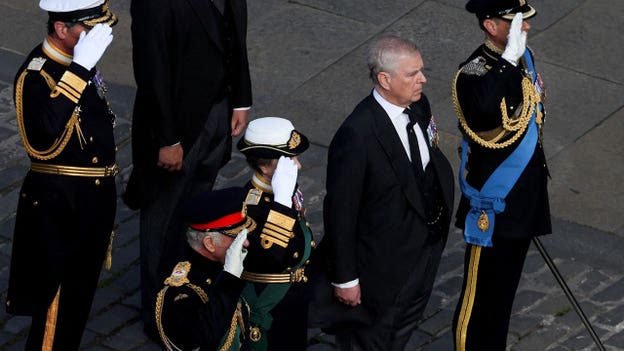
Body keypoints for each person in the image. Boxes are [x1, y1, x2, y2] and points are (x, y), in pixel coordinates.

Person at [317, 34, 455, 350]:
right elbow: (341, 211)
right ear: (385, 79)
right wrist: (346, 279)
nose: (423, 80)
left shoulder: (418, 105)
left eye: (421, 70)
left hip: (422, 248)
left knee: (402, 329)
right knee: (370, 340)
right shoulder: (357, 135)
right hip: (380, 267)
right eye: (412, 74)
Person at [124, 0, 253, 337]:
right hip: (177, 127)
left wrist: (240, 99)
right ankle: (157, 312)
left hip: (218, 113)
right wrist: (167, 139)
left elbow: (235, 37)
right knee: (162, 219)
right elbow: (152, 71)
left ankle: (190, 292)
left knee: (198, 211)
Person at [5, 1, 118, 350]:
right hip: (60, 207)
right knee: (54, 307)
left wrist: (82, 66)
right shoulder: (37, 75)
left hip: (91, 199)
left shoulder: (77, 63)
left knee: (77, 301)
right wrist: (80, 68)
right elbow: (44, 138)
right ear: (60, 29)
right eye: (88, 29)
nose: (97, 37)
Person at [451, 1, 551, 350]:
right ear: (491, 25)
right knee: (478, 301)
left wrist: (514, 58)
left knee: (503, 298)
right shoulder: (474, 73)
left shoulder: (524, 58)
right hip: (493, 204)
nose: (525, 28)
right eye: (515, 22)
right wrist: (508, 59)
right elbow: (481, 112)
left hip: (523, 199)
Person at [236, 116, 316, 350]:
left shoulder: (282, 185)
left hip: (293, 293)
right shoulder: (252, 204)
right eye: (290, 160)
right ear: (264, 166)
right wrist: (281, 204)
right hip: (269, 300)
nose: (298, 166)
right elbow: (271, 258)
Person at [155, 187, 252, 350]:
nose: (246, 244)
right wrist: (229, 279)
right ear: (209, 244)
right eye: (236, 238)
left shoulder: (218, 265)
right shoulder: (181, 291)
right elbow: (200, 337)